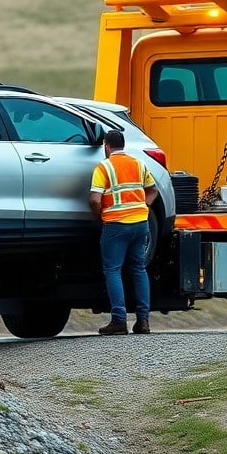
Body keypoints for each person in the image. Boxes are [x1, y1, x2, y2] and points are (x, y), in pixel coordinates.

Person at [88, 129, 158, 335]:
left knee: (113, 270)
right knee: (138, 269)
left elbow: (94, 199)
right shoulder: (138, 164)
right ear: (122, 145)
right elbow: (152, 190)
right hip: (140, 223)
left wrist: (99, 216)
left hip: (116, 224)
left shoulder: (104, 167)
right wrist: (143, 207)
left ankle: (119, 320)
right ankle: (143, 321)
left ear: (106, 146)